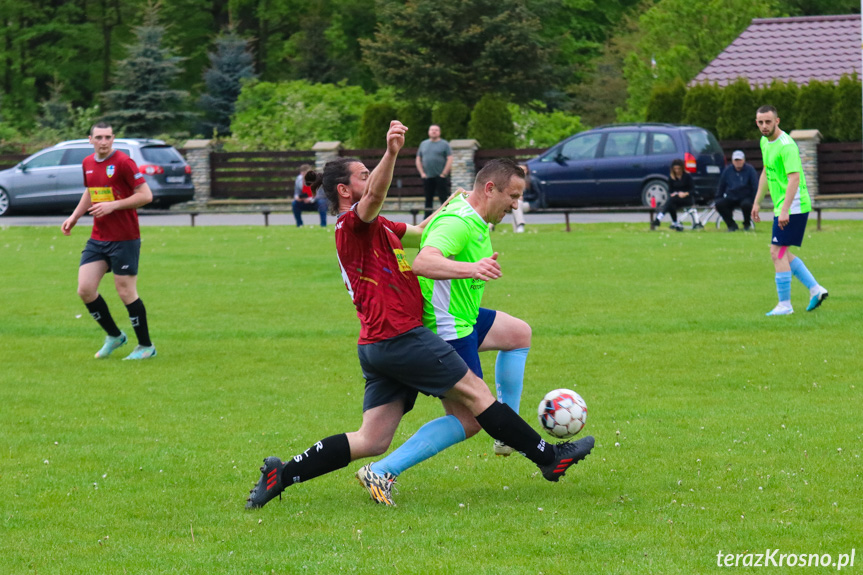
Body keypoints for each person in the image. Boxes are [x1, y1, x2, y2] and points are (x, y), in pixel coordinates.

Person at [245, 121, 593, 509]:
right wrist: (391, 153)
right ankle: (550, 458)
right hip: (401, 337)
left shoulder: (379, 226)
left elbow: (423, 231)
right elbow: (379, 196)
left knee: (371, 439)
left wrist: (452, 205)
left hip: (377, 343)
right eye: (364, 175)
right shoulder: (352, 224)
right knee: (477, 399)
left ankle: (282, 473)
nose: (372, 178)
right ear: (345, 191)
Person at [355, 158, 541, 506]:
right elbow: (423, 261)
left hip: (464, 316)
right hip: (447, 326)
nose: (516, 205)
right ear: (489, 189)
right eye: (512, 196)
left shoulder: (468, 210)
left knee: (518, 334)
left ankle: (507, 433)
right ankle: (382, 470)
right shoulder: (459, 220)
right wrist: (472, 268)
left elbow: (431, 228)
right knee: (468, 420)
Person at [61, 122, 156, 360]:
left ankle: (146, 346)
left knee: (125, 292)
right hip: (98, 238)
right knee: (85, 289)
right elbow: (91, 191)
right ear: (90, 140)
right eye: (99, 137)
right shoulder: (87, 163)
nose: (104, 141)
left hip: (125, 238)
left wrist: (114, 205)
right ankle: (115, 336)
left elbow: (146, 195)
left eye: (108, 137)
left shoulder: (124, 162)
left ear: (113, 139)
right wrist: (74, 217)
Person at [752, 105, 828, 316]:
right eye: (760, 122)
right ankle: (816, 289)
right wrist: (757, 201)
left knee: (777, 252)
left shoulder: (787, 146)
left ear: (777, 121)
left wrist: (785, 210)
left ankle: (785, 305)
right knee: (783, 252)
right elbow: (767, 172)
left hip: (793, 206)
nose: (764, 126)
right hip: (783, 207)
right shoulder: (765, 142)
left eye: (768, 121)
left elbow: (794, 178)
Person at [653, 159, 703, 231]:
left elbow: (693, 190)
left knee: (670, 202)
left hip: (687, 199)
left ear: (682, 168)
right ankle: (675, 223)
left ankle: (659, 218)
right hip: (676, 199)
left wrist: (685, 193)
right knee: (671, 204)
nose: (677, 171)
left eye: (678, 169)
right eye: (675, 169)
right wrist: (673, 193)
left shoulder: (687, 176)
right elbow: (670, 190)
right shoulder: (671, 178)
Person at [416, 124, 453, 218]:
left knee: (443, 199)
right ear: (428, 132)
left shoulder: (444, 144)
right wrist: (422, 173)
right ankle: (426, 219)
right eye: (432, 129)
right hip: (427, 177)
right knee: (428, 199)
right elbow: (418, 159)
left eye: (436, 130)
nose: (434, 131)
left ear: (439, 132)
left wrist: (444, 173)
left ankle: (446, 217)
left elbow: (450, 158)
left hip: (440, 177)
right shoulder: (423, 144)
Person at [715, 150, 758, 231]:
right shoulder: (727, 171)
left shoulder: (750, 170)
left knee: (746, 205)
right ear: (732, 161)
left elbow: (754, 185)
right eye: (736, 160)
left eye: (740, 160)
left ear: (743, 160)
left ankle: (746, 224)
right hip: (731, 197)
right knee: (720, 204)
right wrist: (718, 198)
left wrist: (755, 200)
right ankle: (731, 225)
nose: (738, 162)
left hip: (745, 197)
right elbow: (721, 186)